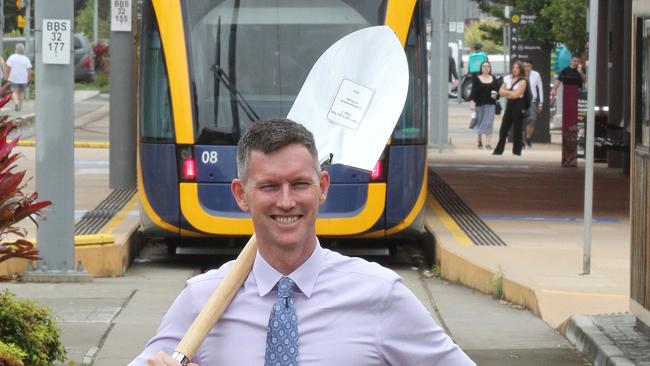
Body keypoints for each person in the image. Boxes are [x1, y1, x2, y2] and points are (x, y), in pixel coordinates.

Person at [131, 119, 475, 366]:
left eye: (299, 184)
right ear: (241, 194)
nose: (286, 201)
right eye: (268, 186)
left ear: (322, 187)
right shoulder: (200, 300)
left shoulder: (381, 295)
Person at [492, 60, 528, 156]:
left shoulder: (523, 81)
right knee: (503, 128)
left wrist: (507, 93)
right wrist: (508, 93)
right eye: (514, 68)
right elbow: (500, 91)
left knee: (517, 129)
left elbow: (517, 95)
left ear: (521, 69)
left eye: (517, 68)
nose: (515, 70)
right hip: (509, 104)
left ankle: (517, 151)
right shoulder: (508, 78)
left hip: (518, 105)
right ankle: (498, 150)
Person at [468, 61, 499, 149]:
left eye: (488, 66)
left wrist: (496, 96)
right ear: (481, 68)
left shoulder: (493, 79)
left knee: (489, 122)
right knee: (480, 121)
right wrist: (472, 102)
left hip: (491, 104)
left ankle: (488, 143)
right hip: (479, 104)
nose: (486, 68)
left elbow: (497, 91)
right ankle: (479, 139)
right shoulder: (477, 79)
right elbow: (473, 92)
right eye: (484, 66)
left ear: (490, 68)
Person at [522, 60, 544, 148]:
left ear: (531, 66)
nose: (526, 68)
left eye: (528, 66)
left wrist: (541, 103)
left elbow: (540, 88)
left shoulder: (536, 75)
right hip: (521, 99)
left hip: (532, 101)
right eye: (524, 66)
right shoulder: (519, 74)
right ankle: (522, 141)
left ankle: (527, 137)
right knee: (521, 121)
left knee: (532, 119)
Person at [6, 43, 32, 111]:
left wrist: (7, 76)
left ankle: (16, 103)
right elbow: (29, 70)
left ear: (16, 49)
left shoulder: (12, 57)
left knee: (14, 91)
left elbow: (8, 68)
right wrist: (29, 79)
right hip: (23, 79)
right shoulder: (26, 59)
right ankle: (20, 105)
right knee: (21, 92)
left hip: (14, 78)